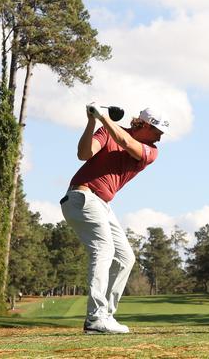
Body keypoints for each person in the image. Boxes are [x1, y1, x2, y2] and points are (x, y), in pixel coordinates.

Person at [61, 104, 169, 334]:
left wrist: (103, 119)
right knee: (104, 250)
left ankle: (105, 316)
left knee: (125, 258)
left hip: (101, 205)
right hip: (82, 197)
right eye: (157, 131)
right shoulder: (106, 131)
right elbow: (84, 154)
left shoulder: (150, 151)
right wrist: (92, 122)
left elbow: (126, 143)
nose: (160, 138)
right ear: (144, 125)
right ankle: (95, 317)